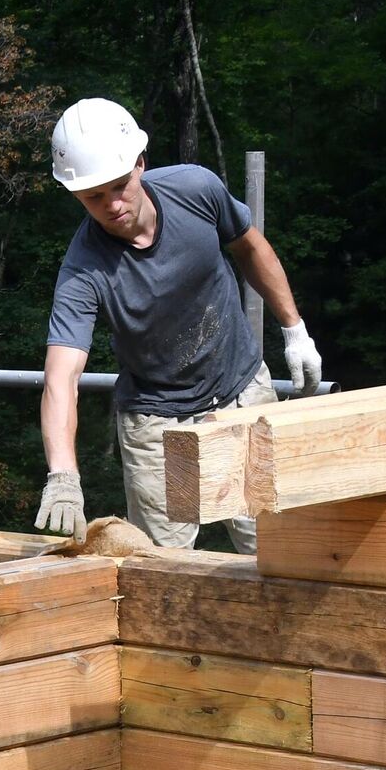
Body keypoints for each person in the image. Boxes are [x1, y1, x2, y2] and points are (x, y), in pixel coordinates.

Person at [34, 97, 321, 550]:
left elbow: (250, 247)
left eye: (118, 185)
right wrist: (63, 474)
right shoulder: (82, 271)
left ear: (140, 164)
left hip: (242, 392)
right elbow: (62, 377)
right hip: (156, 423)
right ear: (75, 195)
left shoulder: (195, 189)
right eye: (93, 196)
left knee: (275, 550)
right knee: (162, 573)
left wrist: (294, 330)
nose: (112, 205)